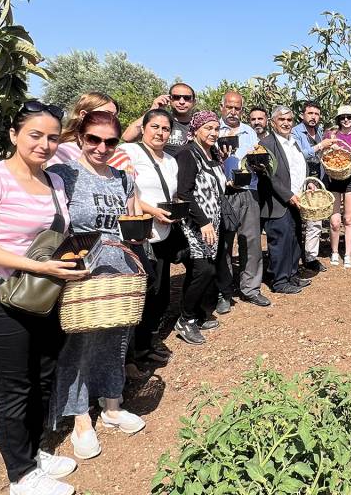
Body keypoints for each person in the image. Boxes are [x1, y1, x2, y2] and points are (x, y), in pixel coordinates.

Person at [0, 101, 85, 495]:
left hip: (43, 297)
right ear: (14, 135)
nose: (45, 144)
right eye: (35, 135)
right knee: (15, 386)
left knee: (44, 378)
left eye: (51, 137)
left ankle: (35, 451)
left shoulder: (54, 182)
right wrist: (39, 268)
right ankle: (21, 474)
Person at [45, 111, 149, 461]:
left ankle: (112, 404)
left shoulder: (122, 179)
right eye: (94, 139)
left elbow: (130, 219)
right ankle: (79, 419)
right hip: (83, 272)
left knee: (118, 340)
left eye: (110, 141)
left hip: (119, 268)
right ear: (80, 138)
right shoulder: (64, 175)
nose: (102, 148)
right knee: (80, 346)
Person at [119, 109, 181, 371]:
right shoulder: (129, 152)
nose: (160, 132)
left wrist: (174, 207)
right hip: (141, 233)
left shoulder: (170, 160)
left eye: (165, 128)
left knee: (158, 294)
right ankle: (131, 354)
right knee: (141, 294)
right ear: (143, 128)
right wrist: (151, 211)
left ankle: (145, 345)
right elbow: (123, 191)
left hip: (163, 232)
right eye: (154, 126)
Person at [175, 111, 242, 342]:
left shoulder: (211, 152)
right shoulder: (187, 154)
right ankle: (185, 319)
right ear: (195, 130)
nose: (213, 133)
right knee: (203, 271)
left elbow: (214, 185)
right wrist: (202, 222)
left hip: (211, 223)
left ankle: (196, 315)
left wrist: (230, 184)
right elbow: (183, 193)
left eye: (216, 128)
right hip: (195, 224)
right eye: (208, 128)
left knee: (203, 270)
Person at [216, 91, 265, 311]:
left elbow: (256, 157)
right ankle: (223, 292)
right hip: (223, 193)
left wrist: (258, 164)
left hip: (249, 191)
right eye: (230, 107)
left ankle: (250, 289)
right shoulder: (213, 129)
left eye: (237, 108)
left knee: (251, 241)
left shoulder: (249, 133)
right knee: (223, 244)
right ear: (222, 107)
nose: (233, 112)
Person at [257, 105, 311, 292]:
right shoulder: (266, 144)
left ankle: (292, 275)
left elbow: (298, 168)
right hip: (277, 203)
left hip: (296, 199)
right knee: (280, 241)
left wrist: (308, 183)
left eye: (289, 120)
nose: (286, 123)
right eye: (282, 119)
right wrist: (288, 196)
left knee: (295, 238)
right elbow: (268, 176)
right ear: (273, 122)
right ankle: (279, 281)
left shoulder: (293, 142)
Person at [292, 100, 334, 273]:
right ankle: (293, 257)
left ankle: (310, 257)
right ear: (303, 115)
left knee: (315, 221)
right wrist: (319, 146)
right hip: (299, 181)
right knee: (294, 222)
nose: (313, 117)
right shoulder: (295, 132)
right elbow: (298, 155)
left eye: (316, 114)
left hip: (317, 181)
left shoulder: (321, 132)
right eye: (310, 113)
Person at [50, 92, 133, 173]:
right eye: (105, 114)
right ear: (83, 115)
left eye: (115, 116)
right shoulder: (62, 152)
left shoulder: (119, 155)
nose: (111, 119)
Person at [326, 105, 351, 267]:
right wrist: (331, 148)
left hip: (350, 180)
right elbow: (324, 154)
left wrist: (348, 167)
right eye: (343, 117)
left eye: (349, 117)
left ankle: (347, 254)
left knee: (349, 218)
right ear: (338, 120)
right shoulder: (331, 134)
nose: (346, 120)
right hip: (333, 179)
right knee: (335, 221)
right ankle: (335, 251)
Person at [122, 82, 196, 155]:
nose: (181, 102)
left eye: (187, 98)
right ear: (169, 100)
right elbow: (127, 137)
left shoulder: (199, 126)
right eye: (176, 97)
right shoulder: (160, 121)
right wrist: (152, 110)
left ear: (194, 102)